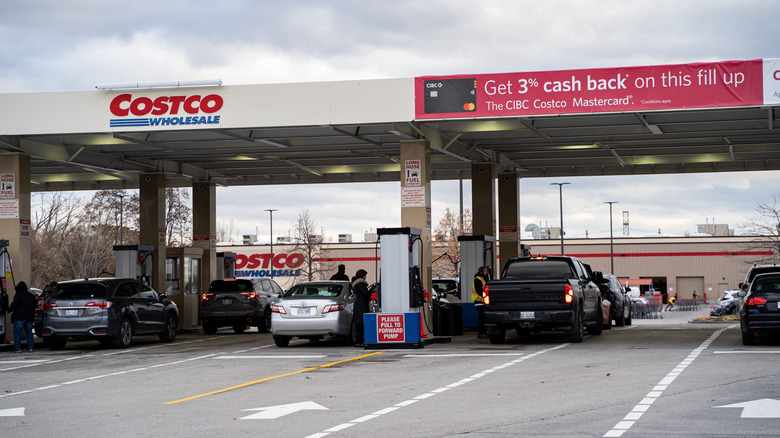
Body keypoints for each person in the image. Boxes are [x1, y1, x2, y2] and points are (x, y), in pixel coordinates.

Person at [9, 281, 37, 353]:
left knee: (17, 333)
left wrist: (8, 310)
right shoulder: (31, 296)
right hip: (29, 317)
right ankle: (30, 347)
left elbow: (14, 306)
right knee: (29, 333)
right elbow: (34, 305)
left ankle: (18, 348)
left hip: (19, 317)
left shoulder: (18, 296)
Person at [352, 269, 371, 348]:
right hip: (362, 305)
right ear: (362, 276)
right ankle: (359, 341)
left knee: (358, 324)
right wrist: (370, 294)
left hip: (358, 305)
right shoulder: (361, 284)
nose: (366, 277)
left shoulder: (355, 284)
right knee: (361, 325)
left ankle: (358, 341)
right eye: (365, 275)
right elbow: (365, 293)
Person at [472, 266, 489, 338]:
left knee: (483, 317)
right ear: (481, 271)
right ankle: (481, 333)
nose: (486, 272)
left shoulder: (483, 279)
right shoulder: (478, 279)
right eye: (485, 271)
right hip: (479, 301)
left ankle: (483, 332)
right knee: (481, 317)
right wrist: (485, 297)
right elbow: (479, 290)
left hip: (482, 301)